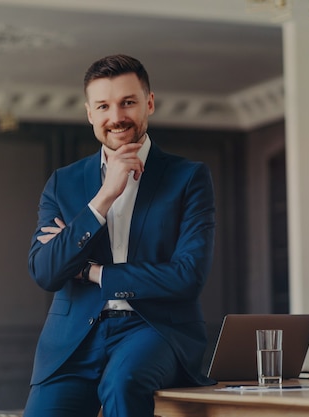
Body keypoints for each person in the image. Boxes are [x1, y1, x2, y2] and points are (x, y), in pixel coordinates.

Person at [23, 54, 216, 417]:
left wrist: (93, 272)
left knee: (122, 384)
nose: (116, 117)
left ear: (150, 103)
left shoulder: (189, 178)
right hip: (71, 339)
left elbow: (187, 276)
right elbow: (46, 272)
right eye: (104, 106)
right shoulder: (63, 183)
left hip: (153, 331)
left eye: (128, 102)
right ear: (89, 113)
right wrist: (104, 196)